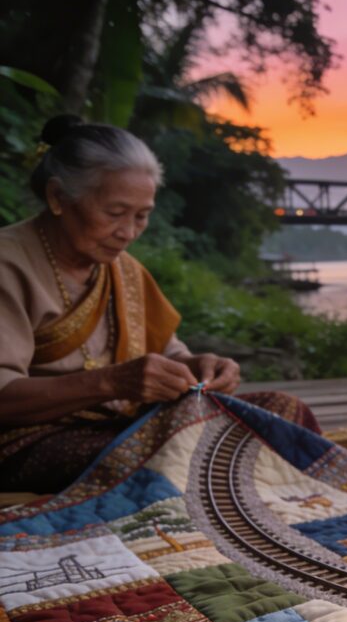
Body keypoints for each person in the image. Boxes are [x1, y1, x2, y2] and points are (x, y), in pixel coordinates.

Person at [0, 115, 319, 494]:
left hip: (123, 426)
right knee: (173, 454)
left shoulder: (125, 270)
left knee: (284, 413)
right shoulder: (8, 263)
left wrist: (199, 367)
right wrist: (111, 382)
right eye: (114, 213)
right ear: (57, 197)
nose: (128, 232)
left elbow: (169, 354)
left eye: (142, 216)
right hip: (28, 440)